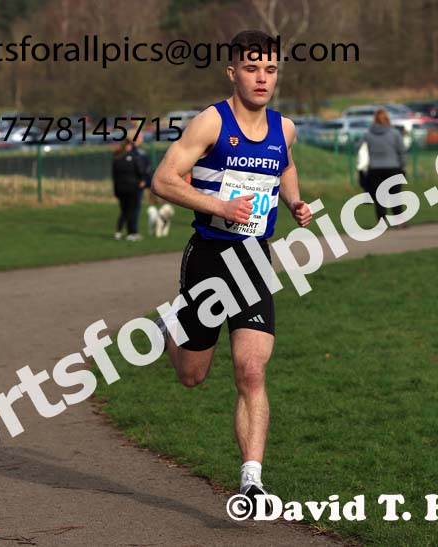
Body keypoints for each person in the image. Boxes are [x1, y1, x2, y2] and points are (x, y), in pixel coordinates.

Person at [150, 30, 312, 508]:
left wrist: (295, 201)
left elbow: (284, 166)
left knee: (251, 368)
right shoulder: (210, 123)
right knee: (193, 376)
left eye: (270, 70)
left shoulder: (284, 128)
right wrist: (217, 204)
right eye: (252, 68)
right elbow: (162, 179)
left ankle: (252, 480)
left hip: (255, 259)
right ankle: (169, 329)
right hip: (209, 257)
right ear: (233, 72)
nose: (262, 78)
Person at [359, 108, 406, 223]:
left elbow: (360, 149)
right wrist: (403, 166)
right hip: (393, 167)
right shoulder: (394, 133)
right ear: (387, 119)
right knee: (395, 195)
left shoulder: (368, 134)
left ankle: (381, 220)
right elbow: (401, 151)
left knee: (379, 196)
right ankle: (399, 220)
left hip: (375, 168)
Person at [111, 138, 146, 241]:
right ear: (127, 146)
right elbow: (139, 170)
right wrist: (142, 180)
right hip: (132, 187)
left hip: (120, 188)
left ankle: (118, 232)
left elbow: (114, 176)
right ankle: (131, 233)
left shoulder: (116, 158)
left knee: (123, 211)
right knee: (132, 210)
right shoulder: (133, 157)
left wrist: (116, 190)